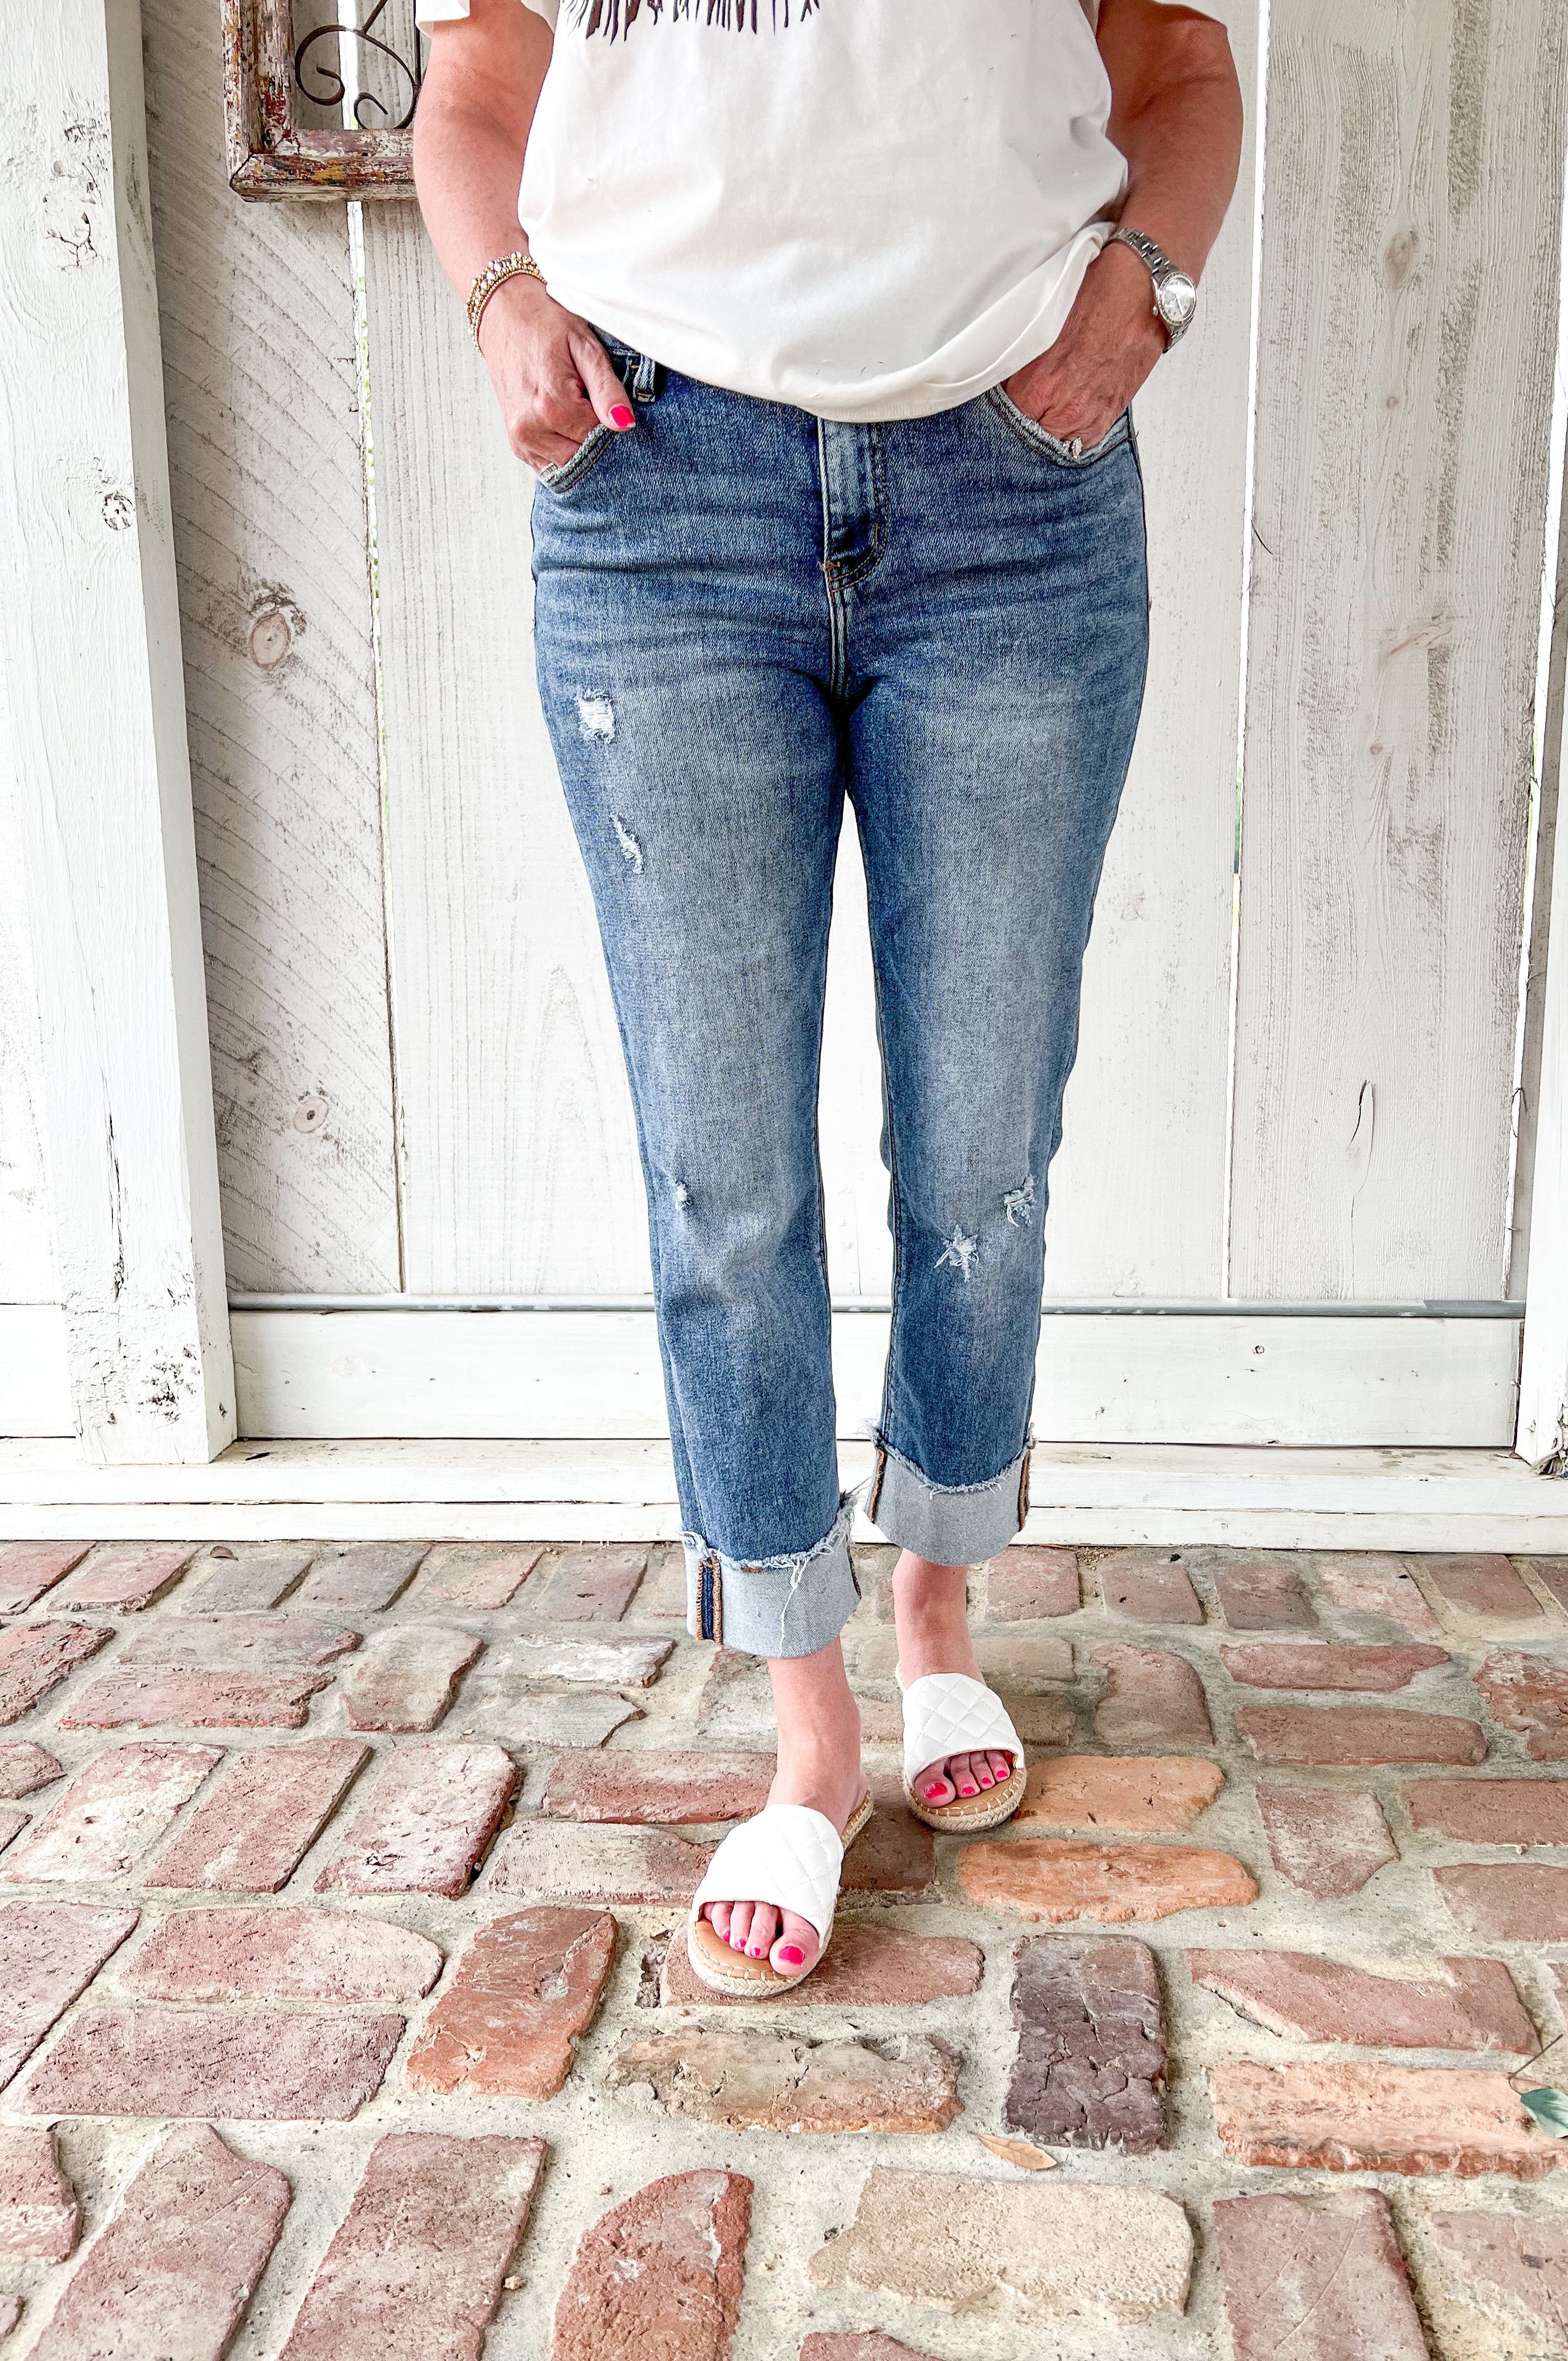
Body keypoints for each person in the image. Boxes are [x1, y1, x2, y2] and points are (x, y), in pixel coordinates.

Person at [413, 0, 1241, 1994]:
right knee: (724, 1174)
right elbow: (478, 99)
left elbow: (1183, 70)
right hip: (660, 490)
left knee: (982, 1131)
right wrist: (502, 296)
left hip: (1013, 493)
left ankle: (942, 1605)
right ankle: (811, 1723)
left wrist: (1139, 294)